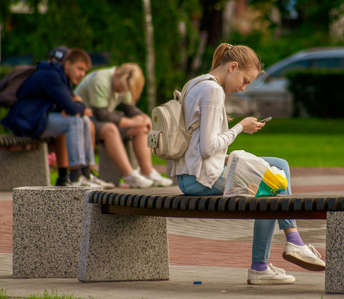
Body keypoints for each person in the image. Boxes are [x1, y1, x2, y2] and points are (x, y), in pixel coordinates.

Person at [169, 43, 325, 285]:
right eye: (245, 80)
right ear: (233, 67)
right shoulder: (213, 91)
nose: (243, 88)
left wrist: (226, 156)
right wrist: (241, 127)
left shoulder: (196, 83)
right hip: (200, 179)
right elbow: (208, 147)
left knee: (278, 165)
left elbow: (199, 142)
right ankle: (273, 257)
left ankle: (288, 245)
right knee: (270, 184)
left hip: (190, 174)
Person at [1, 49, 106, 187]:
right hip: (27, 122)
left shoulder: (63, 77)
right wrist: (79, 104)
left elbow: (69, 106)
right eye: (79, 68)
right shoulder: (50, 75)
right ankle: (75, 176)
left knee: (84, 121)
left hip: (39, 118)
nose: (82, 74)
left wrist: (73, 106)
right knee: (74, 121)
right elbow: (73, 107)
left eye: (85, 71)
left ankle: (86, 173)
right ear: (67, 64)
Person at [75, 63, 172, 188]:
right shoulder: (101, 80)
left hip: (99, 119)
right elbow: (101, 114)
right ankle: (129, 176)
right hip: (84, 120)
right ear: (118, 76)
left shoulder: (124, 82)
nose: (121, 92)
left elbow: (129, 108)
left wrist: (144, 118)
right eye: (121, 88)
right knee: (111, 129)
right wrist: (132, 121)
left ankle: (147, 172)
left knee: (141, 128)